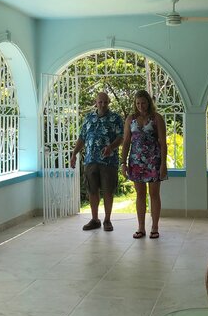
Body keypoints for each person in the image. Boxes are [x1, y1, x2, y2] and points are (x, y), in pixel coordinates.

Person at [70, 92, 124, 232]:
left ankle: (107, 220)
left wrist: (111, 147)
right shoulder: (88, 118)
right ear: (96, 102)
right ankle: (95, 220)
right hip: (90, 160)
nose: (103, 104)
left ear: (109, 102)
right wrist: (74, 153)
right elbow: (82, 137)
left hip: (109, 161)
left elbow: (121, 137)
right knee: (92, 190)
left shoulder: (115, 118)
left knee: (108, 191)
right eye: (100, 102)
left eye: (105, 102)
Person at [120, 90, 167, 239]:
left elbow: (163, 143)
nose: (141, 106)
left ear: (149, 102)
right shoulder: (130, 119)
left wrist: (163, 164)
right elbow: (126, 142)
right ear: (135, 104)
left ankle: (154, 227)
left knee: (154, 194)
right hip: (135, 161)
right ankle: (141, 227)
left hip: (153, 161)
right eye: (138, 103)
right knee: (140, 195)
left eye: (144, 103)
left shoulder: (157, 118)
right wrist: (123, 163)